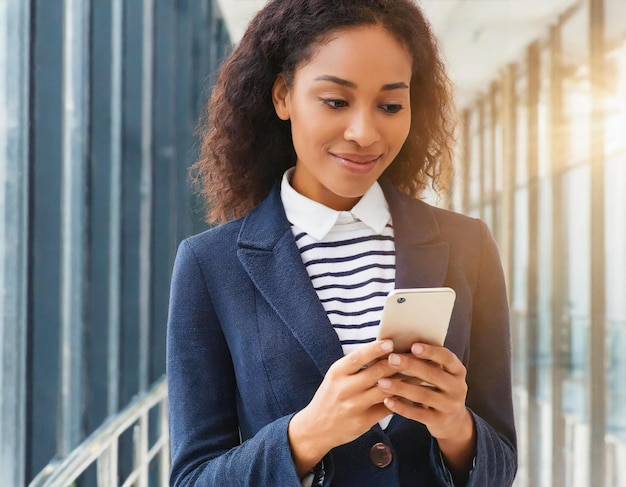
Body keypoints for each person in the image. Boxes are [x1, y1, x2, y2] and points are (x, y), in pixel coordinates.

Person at [166, 0, 517, 485]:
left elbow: (502, 462)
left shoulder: (467, 245)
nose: (364, 132)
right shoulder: (211, 266)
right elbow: (193, 478)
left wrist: (455, 426)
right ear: (283, 96)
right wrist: (307, 435)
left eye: (391, 105)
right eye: (335, 101)